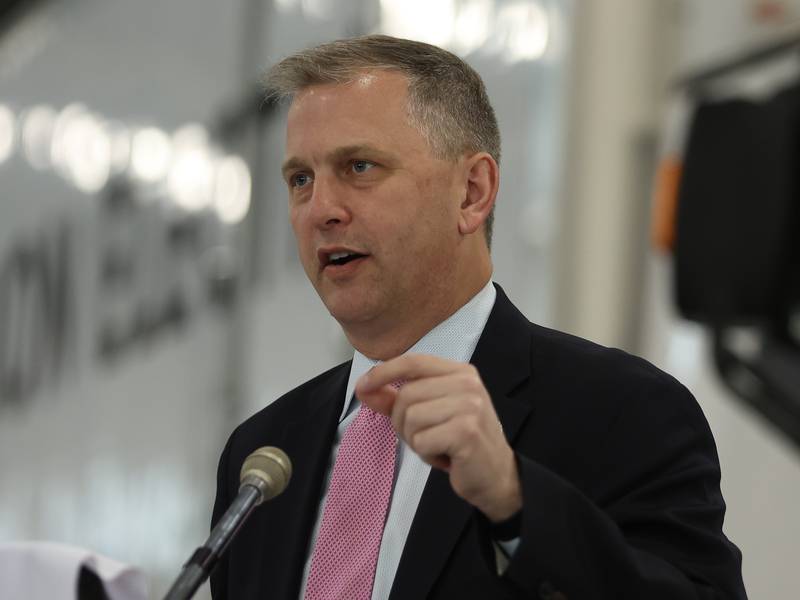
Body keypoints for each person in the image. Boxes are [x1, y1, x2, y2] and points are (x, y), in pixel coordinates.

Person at [210, 35, 747, 600]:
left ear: (472, 192)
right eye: (300, 180)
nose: (321, 210)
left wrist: (515, 501)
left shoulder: (624, 410)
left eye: (359, 166)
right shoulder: (263, 454)